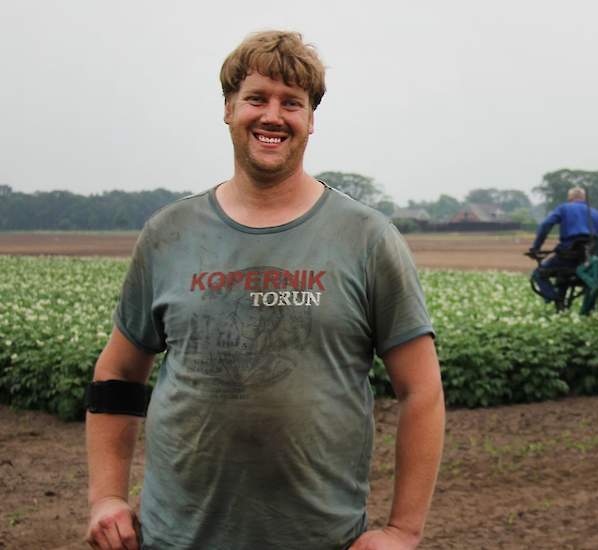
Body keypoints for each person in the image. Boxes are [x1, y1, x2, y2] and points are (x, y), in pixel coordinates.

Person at [85, 31, 444, 550]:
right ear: (230, 108)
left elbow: (422, 391)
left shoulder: (368, 238)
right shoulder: (169, 234)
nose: (272, 116)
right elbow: (117, 375)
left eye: (291, 103)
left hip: (321, 539)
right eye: (256, 98)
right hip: (175, 538)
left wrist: (404, 531)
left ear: (311, 120)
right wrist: (105, 498)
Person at [528, 187, 598, 304]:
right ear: (583, 198)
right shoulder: (595, 213)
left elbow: (545, 225)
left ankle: (552, 297)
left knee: (538, 273)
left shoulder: (564, 208)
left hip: (567, 255)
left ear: (569, 198)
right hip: (588, 260)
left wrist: (536, 247)